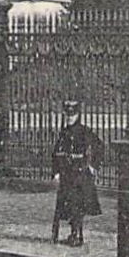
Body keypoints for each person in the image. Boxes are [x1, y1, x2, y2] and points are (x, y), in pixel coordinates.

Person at [50, 100, 103, 247]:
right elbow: (55, 153)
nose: (69, 118)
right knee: (66, 206)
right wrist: (56, 172)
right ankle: (69, 234)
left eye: (72, 115)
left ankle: (77, 235)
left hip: (80, 174)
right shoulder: (64, 132)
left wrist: (93, 166)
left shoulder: (84, 131)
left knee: (77, 205)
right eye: (67, 115)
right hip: (67, 174)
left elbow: (99, 146)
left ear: (77, 115)